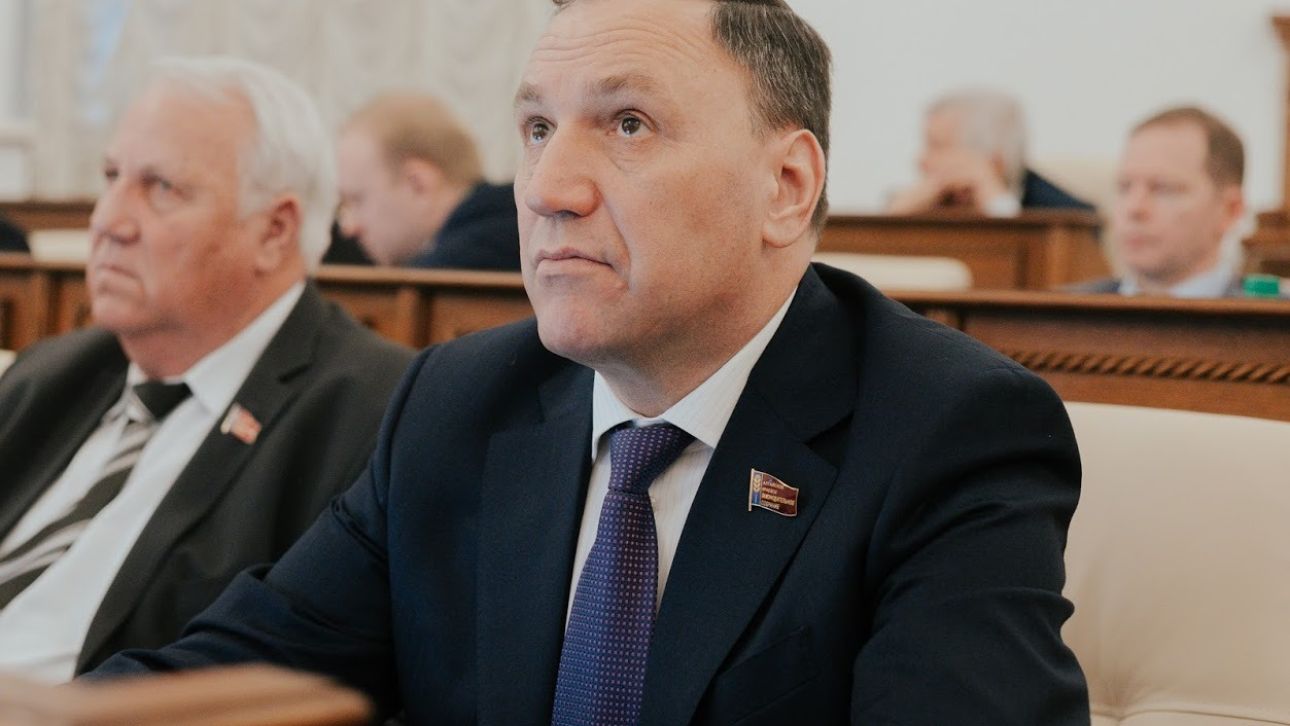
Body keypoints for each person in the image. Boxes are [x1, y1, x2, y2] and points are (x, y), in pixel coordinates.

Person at [92, 2, 1088, 723]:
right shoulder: (458, 401)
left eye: (627, 125)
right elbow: (236, 675)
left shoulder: (949, 431)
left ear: (786, 185)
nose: (546, 189)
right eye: (536, 129)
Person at [0, 57, 413, 681]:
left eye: (161, 188)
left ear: (274, 231)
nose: (108, 220)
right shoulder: (53, 373)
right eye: (111, 176)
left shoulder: (370, 414)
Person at [1074, 106, 1246, 297]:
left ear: (1230, 210)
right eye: (1124, 187)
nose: (1134, 208)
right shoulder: (1064, 309)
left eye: (1163, 188)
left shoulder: (1266, 312)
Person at [335, 92, 519, 270]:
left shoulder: (444, 275)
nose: (349, 227)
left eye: (357, 200)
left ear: (418, 184)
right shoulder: (509, 229)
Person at [887, 88, 1094, 216]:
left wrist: (994, 201)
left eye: (937, 146)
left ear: (994, 162)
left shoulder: (1067, 216)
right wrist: (897, 214)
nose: (920, 160)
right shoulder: (919, 201)